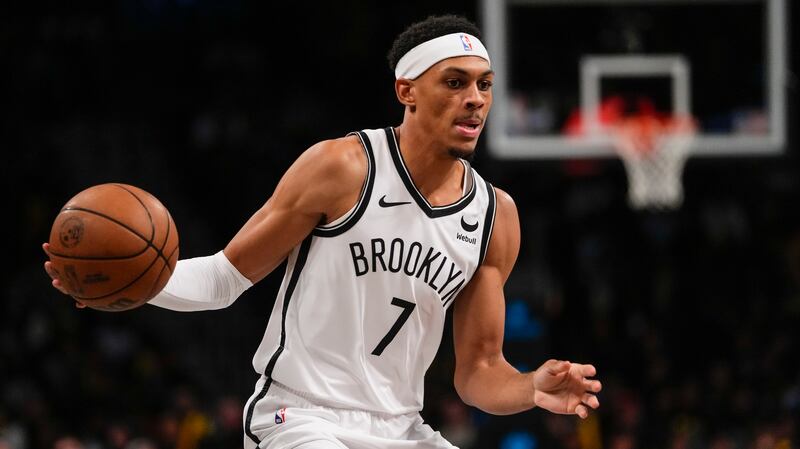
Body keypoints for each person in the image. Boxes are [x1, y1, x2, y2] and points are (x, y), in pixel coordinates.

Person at [45, 14, 601, 449]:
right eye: (453, 82)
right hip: (299, 417)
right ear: (406, 91)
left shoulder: (494, 216)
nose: (474, 98)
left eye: (484, 84)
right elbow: (223, 279)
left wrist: (530, 387)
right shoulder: (342, 167)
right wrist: (130, 283)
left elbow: (478, 371)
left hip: (401, 426)